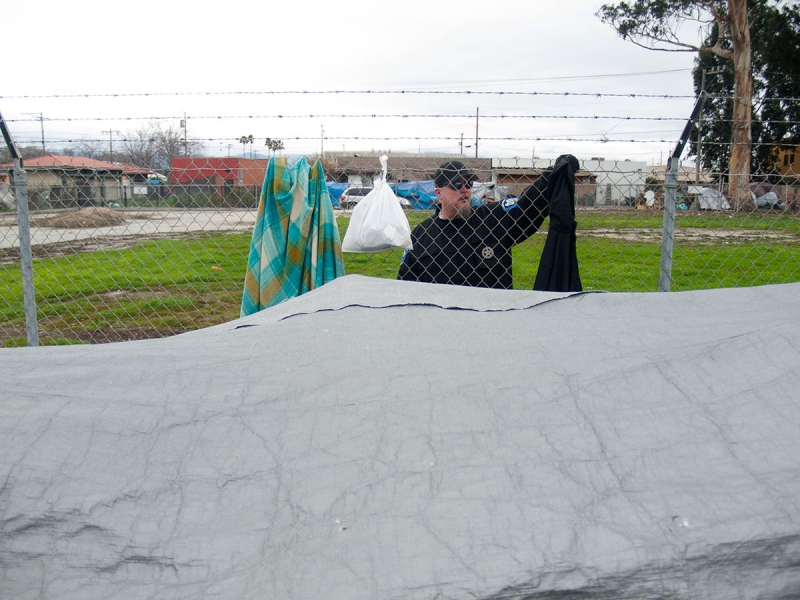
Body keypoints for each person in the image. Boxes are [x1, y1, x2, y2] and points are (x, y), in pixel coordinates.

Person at [398, 158, 572, 289]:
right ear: (438, 193)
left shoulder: (492, 219)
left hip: (493, 323)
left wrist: (552, 175)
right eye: (457, 184)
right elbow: (405, 286)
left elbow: (528, 205)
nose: (465, 189)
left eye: (468, 184)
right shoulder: (422, 236)